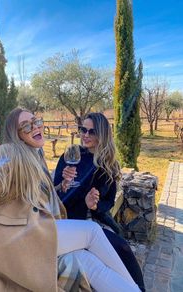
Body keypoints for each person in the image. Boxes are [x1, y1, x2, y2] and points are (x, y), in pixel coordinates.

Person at [0, 109, 141, 292]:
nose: (35, 127)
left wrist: (62, 186)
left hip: (37, 230)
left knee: (84, 259)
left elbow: (37, 197)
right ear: (17, 135)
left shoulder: (34, 154)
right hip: (19, 238)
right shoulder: (10, 153)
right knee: (93, 232)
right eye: (26, 126)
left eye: (36, 121)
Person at [54, 112, 145, 292]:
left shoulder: (108, 165)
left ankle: (139, 288)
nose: (85, 135)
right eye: (83, 130)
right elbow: (55, 193)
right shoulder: (70, 155)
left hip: (92, 219)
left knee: (123, 248)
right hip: (66, 218)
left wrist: (94, 205)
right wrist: (63, 184)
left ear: (102, 134)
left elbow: (108, 202)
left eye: (92, 132)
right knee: (108, 254)